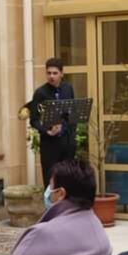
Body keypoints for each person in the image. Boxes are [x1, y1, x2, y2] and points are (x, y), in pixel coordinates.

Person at [29, 58, 78, 187]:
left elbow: (73, 116)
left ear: (62, 73)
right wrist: (47, 131)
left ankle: (67, 207)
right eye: (49, 73)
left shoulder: (68, 89)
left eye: (55, 73)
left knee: (68, 182)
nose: (51, 76)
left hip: (67, 144)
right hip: (50, 146)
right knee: (50, 182)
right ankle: (51, 207)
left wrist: (72, 139)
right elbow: (34, 120)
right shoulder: (40, 93)